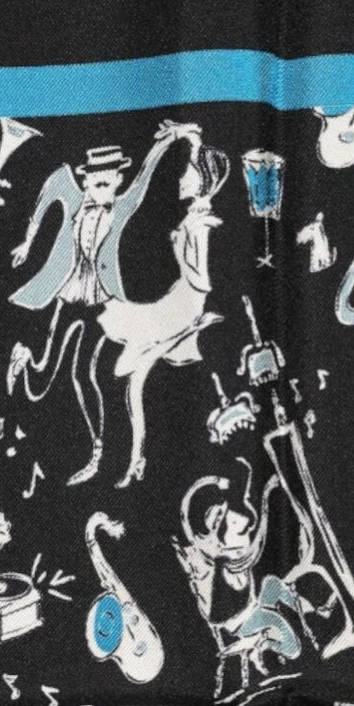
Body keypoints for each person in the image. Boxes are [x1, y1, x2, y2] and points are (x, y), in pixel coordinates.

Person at [7, 122, 195, 483]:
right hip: (68, 294)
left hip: (102, 302)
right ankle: (25, 358)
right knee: (43, 376)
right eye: (95, 183)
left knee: (85, 374)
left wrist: (169, 139)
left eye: (108, 184)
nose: (101, 190)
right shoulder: (71, 192)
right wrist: (28, 242)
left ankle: (97, 451)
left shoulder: (120, 208)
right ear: (86, 180)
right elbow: (48, 195)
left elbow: (145, 177)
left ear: (118, 181)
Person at [97, 132, 227, 486]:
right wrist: (191, 137)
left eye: (189, 171)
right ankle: (131, 457)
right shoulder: (192, 215)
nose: (182, 177)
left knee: (136, 378)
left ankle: (136, 459)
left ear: (203, 180)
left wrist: (180, 255)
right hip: (173, 304)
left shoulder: (199, 222)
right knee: (129, 377)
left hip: (183, 307)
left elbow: (203, 280)